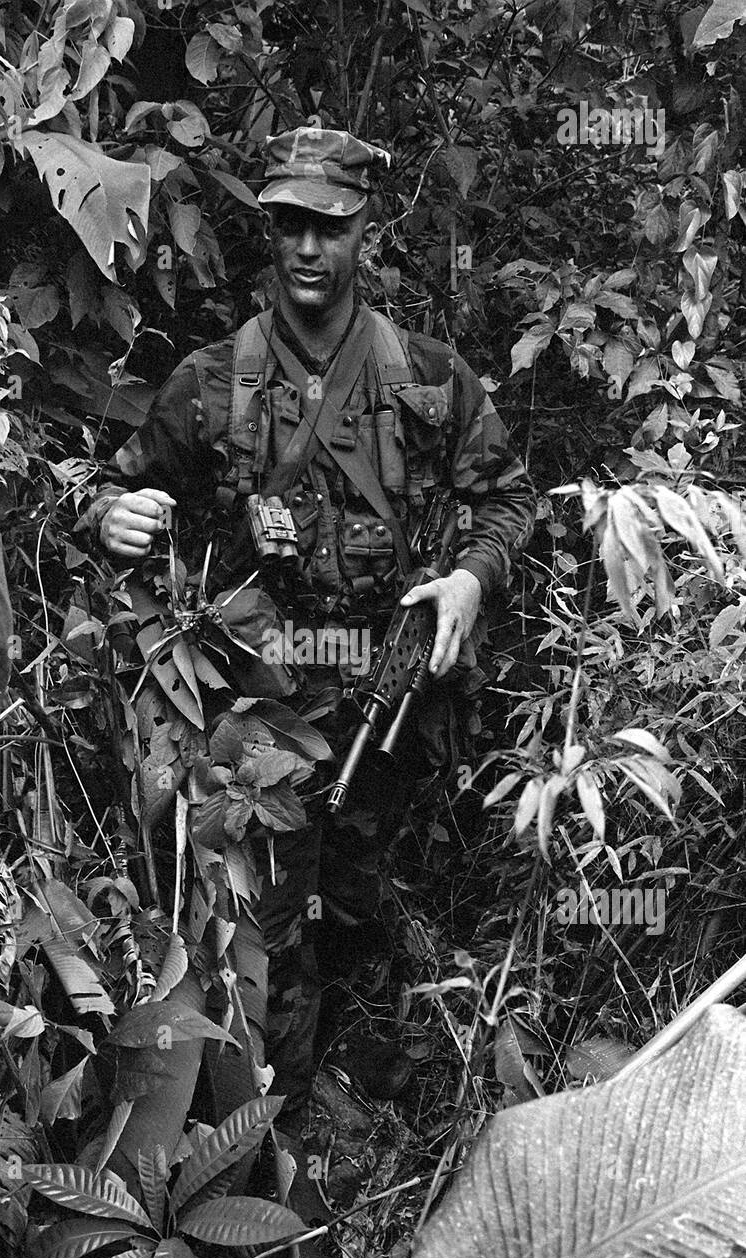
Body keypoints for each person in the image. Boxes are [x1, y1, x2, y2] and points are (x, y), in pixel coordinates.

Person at [83, 126, 536, 1134]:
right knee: (266, 929)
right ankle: (271, 1141)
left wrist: (469, 577)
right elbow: (115, 489)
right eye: (287, 224)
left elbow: (510, 499)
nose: (305, 248)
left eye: (328, 227)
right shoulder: (212, 381)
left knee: (367, 906)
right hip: (261, 717)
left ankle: (363, 1107)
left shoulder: (425, 375)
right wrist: (110, 515)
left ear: (364, 230)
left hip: (390, 700)